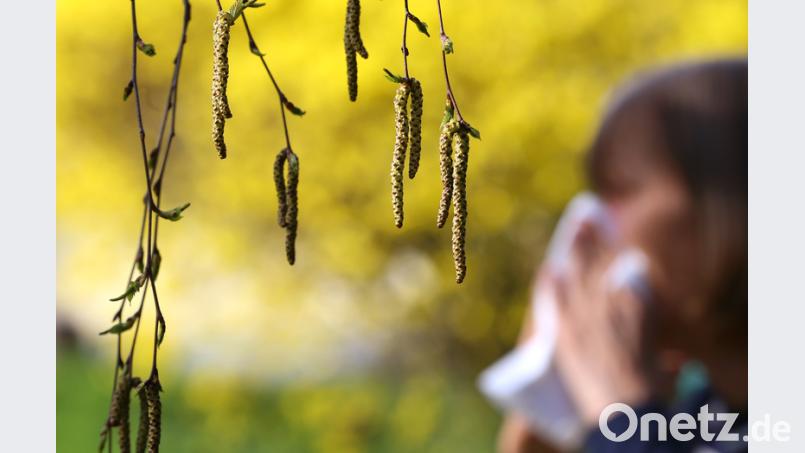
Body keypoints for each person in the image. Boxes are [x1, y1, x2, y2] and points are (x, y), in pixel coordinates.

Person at [498, 59, 747, 453]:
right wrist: (551, 398)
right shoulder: (709, 417)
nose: (589, 227)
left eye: (620, 192)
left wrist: (622, 417)